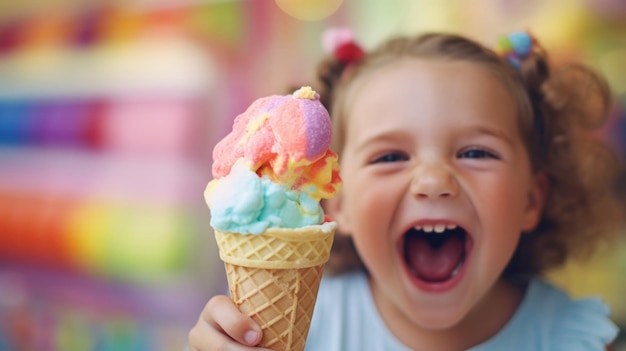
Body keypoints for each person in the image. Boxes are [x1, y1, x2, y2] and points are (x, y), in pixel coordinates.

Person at [188, 29, 624, 350]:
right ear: (338, 205)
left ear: (531, 198)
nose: (434, 181)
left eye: (475, 153)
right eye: (390, 157)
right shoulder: (298, 330)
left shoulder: (572, 338)